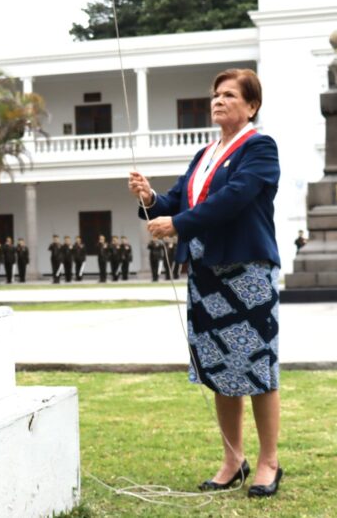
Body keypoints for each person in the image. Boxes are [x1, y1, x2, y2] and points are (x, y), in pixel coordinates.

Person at [128, 68, 283, 498]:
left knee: (257, 368)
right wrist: (150, 200)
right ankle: (233, 459)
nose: (218, 100)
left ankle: (269, 462)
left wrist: (176, 223)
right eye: (215, 94)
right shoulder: (205, 155)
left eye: (229, 94)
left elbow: (231, 201)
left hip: (246, 275)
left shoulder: (259, 148)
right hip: (205, 277)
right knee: (218, 369)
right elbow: (177, 200)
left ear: (251, 106)